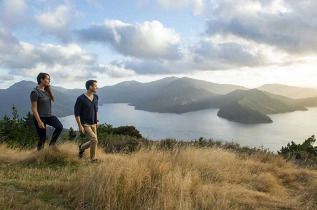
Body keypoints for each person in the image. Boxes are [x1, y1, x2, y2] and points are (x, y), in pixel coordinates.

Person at [30, 73, 63, 151]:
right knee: (42, 138)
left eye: (49, 79)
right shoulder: (35, 92)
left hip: (48, 116)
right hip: (40, 117)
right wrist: (39, 121)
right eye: (47, 79)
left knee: (59, 126)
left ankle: (52, 145)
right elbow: (34, 109)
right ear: (41, 79)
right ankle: (40, 156)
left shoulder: (46, 91)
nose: (49, 80)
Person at [74, 80, 99, 162]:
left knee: (94, 140)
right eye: (95, 86)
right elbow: (77, 113)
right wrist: (80, 125)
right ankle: (93, 159)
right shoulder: (81, 99)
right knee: (94, 140)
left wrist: (96, 121)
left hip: (93, 123)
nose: (97, 87)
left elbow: (96, 110)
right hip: (85, 124)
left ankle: (81, 147)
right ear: (90, 87)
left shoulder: (95, 97)